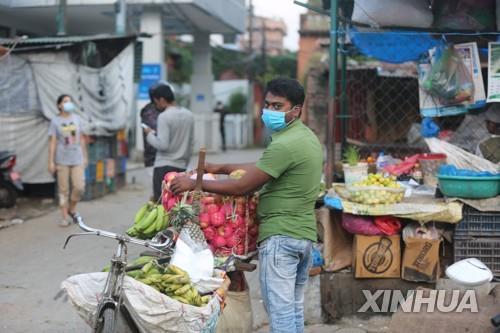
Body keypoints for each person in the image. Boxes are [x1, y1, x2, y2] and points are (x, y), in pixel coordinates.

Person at [170, 77, 323, 333]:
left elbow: (244, 186)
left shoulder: (285, 144)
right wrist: (220, 168)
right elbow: (262, 169)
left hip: (281, 238)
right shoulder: (304, 137)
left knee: (281, 313)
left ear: (296, 110)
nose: (270, 111)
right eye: (268, 105)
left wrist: (195, 182)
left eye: (278, 106)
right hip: (302, 236)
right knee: (293, 309)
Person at [144, 84, 195, 201]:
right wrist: (185, 164)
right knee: (178, 205)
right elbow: (191, 143)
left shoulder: (164, 116)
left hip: (163, 168)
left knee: (162, 206)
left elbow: (163, 145)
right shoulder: (189, 115)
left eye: (156, 102)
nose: (156, 105)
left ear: (161, 100)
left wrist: (149, 134)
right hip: (181, 168)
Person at [48, 94, 87, 227]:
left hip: (77, 158)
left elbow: (82, 139)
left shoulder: (77, 119)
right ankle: (65, 217)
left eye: (70, 101)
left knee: (79, 187)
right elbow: (52, 142)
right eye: (65, 101)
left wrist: (85, 156)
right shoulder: (55, 121)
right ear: (60, 105)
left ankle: (72, 208)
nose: (68, 103)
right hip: (62, 159)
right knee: (63, 190)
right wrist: (51, 161)